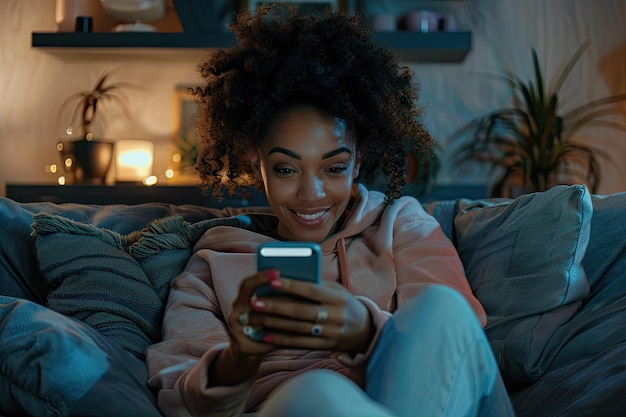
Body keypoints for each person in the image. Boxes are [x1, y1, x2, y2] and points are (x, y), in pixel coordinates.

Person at [146, 4, 515, 417]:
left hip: (409, 401)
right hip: (287, 408)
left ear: (358, 162)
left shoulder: (401, 225)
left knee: (441, 307)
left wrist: (363, 331)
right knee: (315, 394)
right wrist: (240, 357)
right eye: (286, 169)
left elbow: (455, 342)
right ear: (256, 165)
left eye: (335, 168)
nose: (311, 193)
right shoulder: (212, 264)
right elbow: (179, 397)